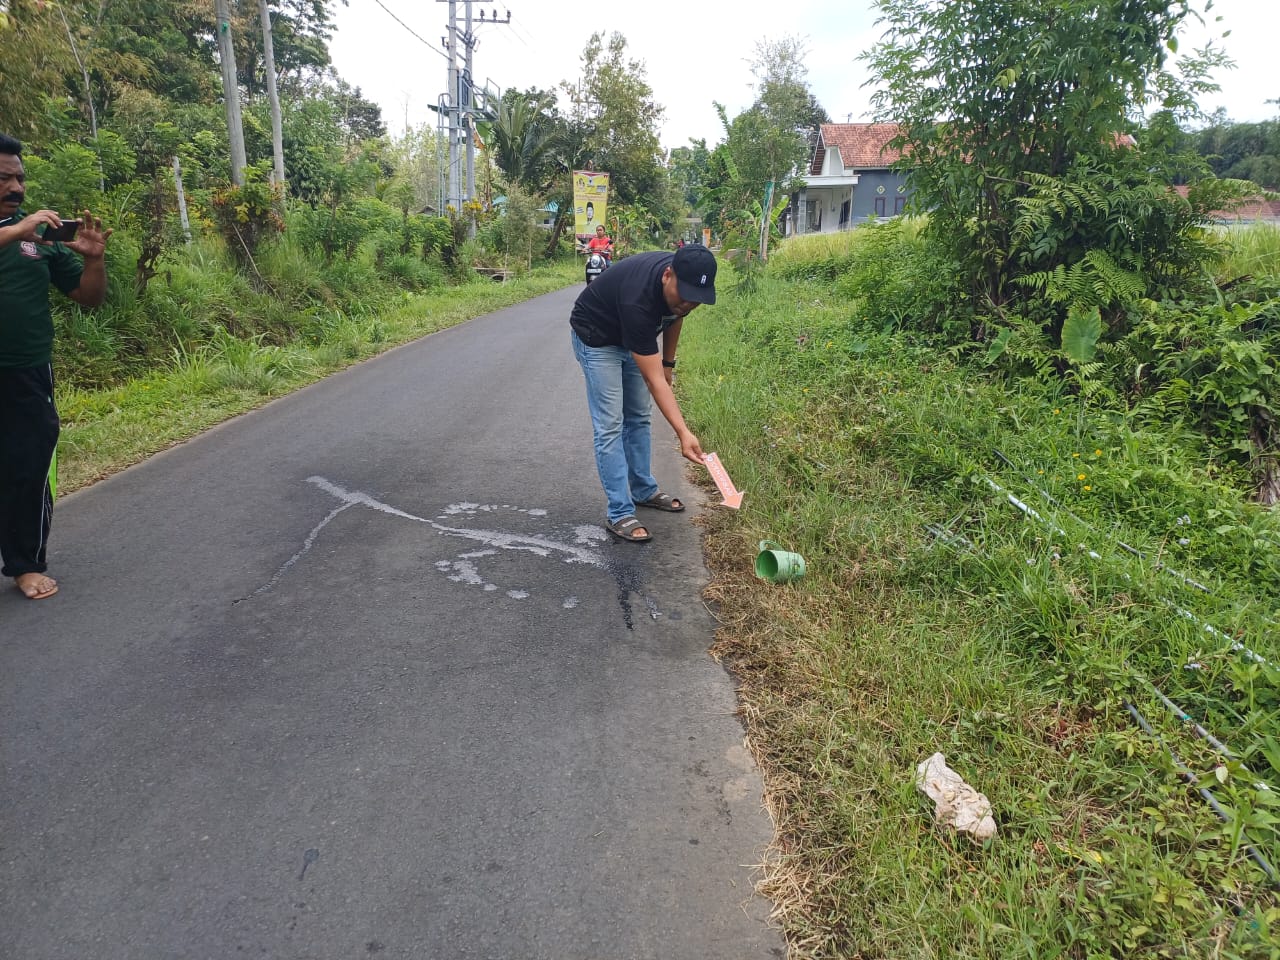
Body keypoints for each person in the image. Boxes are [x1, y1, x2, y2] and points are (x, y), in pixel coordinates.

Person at [0, 133, 112, 599]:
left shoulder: (40, 241)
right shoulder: (22, 231)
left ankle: (25, 563)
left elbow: (89, 298)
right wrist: (15, 230)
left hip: (25, 372)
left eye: (20, 177)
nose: (16, 187)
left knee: (27, 466)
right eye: (4, 177)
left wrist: (94, 262)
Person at [569, 244, 717, 542]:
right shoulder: (639, 300)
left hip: (632, 336)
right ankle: (620, 511)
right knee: (610, 424)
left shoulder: (680, 288)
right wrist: (683, 433)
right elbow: (654, 382)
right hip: (597, 336)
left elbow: (676, 315)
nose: (688, 304)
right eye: (685, 296)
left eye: (696, 300)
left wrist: (668, 363)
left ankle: (643, 490)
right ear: (667, 276)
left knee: (638, 415)